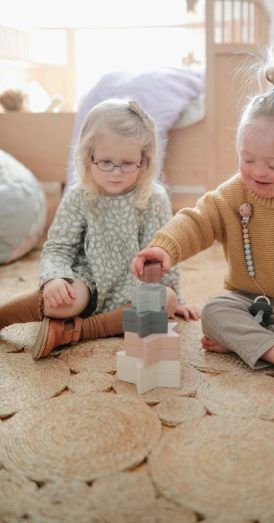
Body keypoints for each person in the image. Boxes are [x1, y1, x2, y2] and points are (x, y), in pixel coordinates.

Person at [131, 54, 274, 392]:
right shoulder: (233, 194)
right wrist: (165, 248)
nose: (258, 172)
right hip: (246, 302)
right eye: (247, 159)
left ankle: (251, 343)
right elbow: (198, 221)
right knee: (213, 313)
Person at [0, 99, 200, 359]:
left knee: (166, 301)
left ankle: (74, 331)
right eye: (105, 162)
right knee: (59, 301)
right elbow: (59, 248)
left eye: (127, 163)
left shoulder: (154, 197)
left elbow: (163, 252)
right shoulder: (79, 195)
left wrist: (178, 298)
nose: (115, 172)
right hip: (88, 279)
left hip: (133, 286)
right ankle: (3, 316)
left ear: (144, 160)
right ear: (88, 156)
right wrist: (54, 279)